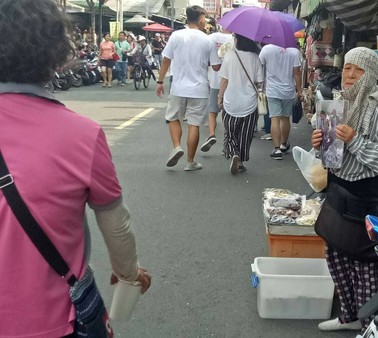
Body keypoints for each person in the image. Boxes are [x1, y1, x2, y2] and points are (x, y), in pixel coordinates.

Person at [0, 1, 151, 336]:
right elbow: (117, 226)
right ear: (52, 49)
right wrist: (128, 273)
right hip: (53, 321)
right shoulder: (81, 135)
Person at [311, 47, 378, 332]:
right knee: (336, 255)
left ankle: (369, 325)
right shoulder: (337, 103)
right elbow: (330, 156)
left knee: (365, 265)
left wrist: (354, 141)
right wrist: (320, 143)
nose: (350, 75)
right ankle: (348, 316)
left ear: (371, 75)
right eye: (347, 68)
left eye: (358, 70)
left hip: (366, 196)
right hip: (338, 191)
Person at [156, 5, 220, 171]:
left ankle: (177, 146)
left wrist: (160, 81)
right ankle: (190, 162)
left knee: (173, 117)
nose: (205, 21)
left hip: (178, 87)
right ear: (200, 19)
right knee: (194, 124)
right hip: (199, 90)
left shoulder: (176, 36)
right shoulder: (207, 39)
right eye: (204, 18)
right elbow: (216, 67)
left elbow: (166, 60)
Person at [217, 34, 264, 174]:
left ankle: (234, 153)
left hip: (230, 100)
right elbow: (259, 81)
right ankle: (241, 161)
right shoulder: (256, 57)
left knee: (230, 132)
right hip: (249, 102)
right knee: (245, 134)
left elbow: (224, 80)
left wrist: (219, 97)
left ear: (238, 40)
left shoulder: (229, 55)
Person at [259, 44, 303, 160]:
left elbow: (260, 67)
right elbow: (297, 73)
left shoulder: (266, 49)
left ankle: (277, 149)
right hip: (288, 91)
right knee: (285, 118)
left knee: (274, 118)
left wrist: (259, 85)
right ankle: (284, 144)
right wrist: (299, 91)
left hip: (272, 90)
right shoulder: (294, 51)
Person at [200, 28, 233, 152]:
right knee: (229, 112)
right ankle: (229, 136)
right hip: (231, 80)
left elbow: (209, 61)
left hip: (215, 80)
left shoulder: (212, 37)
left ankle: (212, 134)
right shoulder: (234, 39)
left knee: (212, 111)